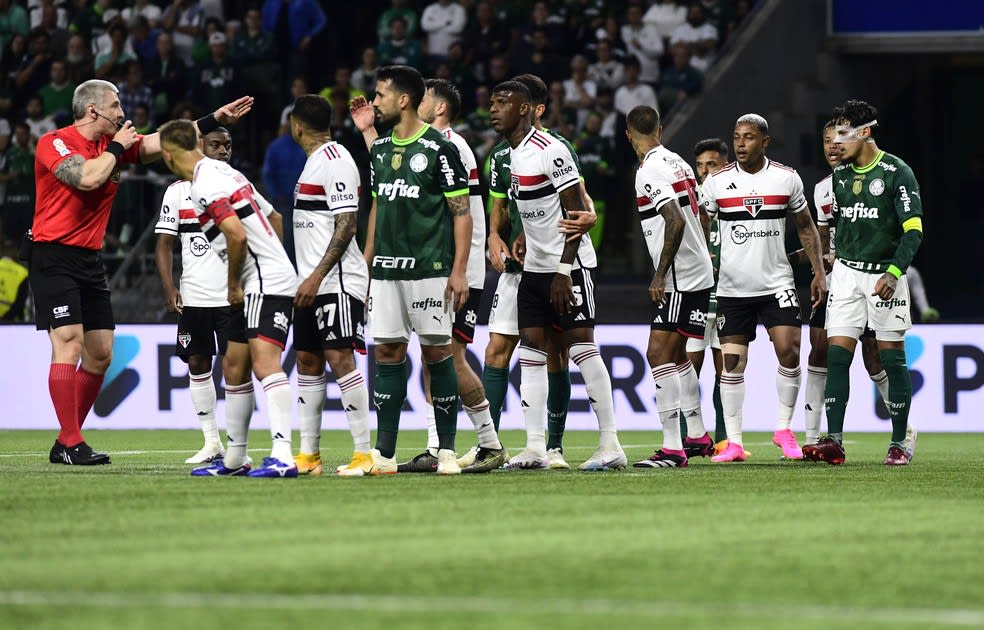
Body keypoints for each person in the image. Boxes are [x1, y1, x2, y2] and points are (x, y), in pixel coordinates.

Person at [31, 79, 253, 465]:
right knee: (68, 341)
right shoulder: (55, 142)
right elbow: (87, 178)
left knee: (100, 355)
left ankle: (65, 441)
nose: (123, 112)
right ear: (93, 110)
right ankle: (71, 441)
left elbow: (158, 142)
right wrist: (118, 147)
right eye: (116, 106)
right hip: (53, 254)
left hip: (88, 258)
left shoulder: (112, 146)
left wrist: (211, 119)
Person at [351, 78, 507, 473]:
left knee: (447, 358)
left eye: (425, 101)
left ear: (437, 108)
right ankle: (443, 446)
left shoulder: (450, 146)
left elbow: (460, 211)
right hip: (419, 266)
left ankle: (478, 443)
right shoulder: (413, 145)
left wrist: (460, 272)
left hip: (449, 268)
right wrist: (370, 132)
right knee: (435, 357)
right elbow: (395, 176)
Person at [489, 79, 626, 471]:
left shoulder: (552, 151)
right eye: (493, 102)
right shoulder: (511, 156)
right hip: (533, 269)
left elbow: (576, 214)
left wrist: (564, 271)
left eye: (503, 103)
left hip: (569, 268)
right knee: (532, 354)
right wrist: (520, 236)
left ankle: (610, 444)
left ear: (526, 109)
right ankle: (534, 448)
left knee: (582, 348)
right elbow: (538, 210)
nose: (494, 109)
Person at [158, 118, 299, 478]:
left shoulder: (205, 184)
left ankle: (283, 455)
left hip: (261, 283)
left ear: (171, 155)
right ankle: (236, 459)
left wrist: (238, 281)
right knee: (234, 367)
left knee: (265, 365)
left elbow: (235, 236)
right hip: (262, 277)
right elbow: (275, 216)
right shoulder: (229, 175)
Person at [803, 100, 924, 466]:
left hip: (884, 275)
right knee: (837, 355)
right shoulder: (838, 178)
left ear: (865, 132)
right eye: (833, 134)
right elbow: (841, 230)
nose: (835, 142)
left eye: (843, 134)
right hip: (847, 275)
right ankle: (834, 441)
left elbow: (913, 231)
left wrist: (893, 273)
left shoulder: (896, 172)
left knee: (891, 357)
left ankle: (901, 440)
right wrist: (825, 267)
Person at [700, 113, 825, 463]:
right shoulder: (717, 182)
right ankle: (735, 443)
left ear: (765, 141)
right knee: (732, 364)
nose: (741, 144)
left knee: (789, 350)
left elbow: (806, 228)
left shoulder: (786, 179)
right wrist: (706, 259)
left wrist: (818, 272)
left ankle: (784, 429)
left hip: (776, 283)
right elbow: (702, 225)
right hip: (732, 288)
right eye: (737, 137)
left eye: (749, 137)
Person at [287, 95, 373, 477]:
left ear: (296, 125)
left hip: (335, 280)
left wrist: (316, 277)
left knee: (341, 359)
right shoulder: (314, 163)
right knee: (307, 360)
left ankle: (363, 454)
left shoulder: (336, 161)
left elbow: (347, 224)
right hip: (309, 282)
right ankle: (309, 455)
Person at [626, 105, 714, 468]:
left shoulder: (648, 171)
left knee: (658, 354)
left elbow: (675, 220)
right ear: (660, 130)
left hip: (679, 275)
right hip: (700, 270)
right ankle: (696, 435)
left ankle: (672, 448)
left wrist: (661, 274)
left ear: (629, 135)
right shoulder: (679, 162)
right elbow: (699, 215)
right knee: (677, 355)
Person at [154, 127, 237, 465]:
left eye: (228, 146)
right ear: (202, 146)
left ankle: (237, 443)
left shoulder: (236, 184)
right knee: (197, 363)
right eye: (216, 144)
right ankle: (211, 442)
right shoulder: (177, 192)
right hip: (194, 298)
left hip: (231, 298)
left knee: (236, 368)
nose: (223, 151)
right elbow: (163, 245)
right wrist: (169, 287)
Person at [685, 138, 727, 453]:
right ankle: (692, 437)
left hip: (727, 295)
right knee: (688, 370)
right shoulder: (689, 201)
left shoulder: (734, 195)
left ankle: (726, 439)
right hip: (695, 295)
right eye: (700, 166)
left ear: (724, 164)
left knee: (726, 373)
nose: (704, 171)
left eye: (711, 164)